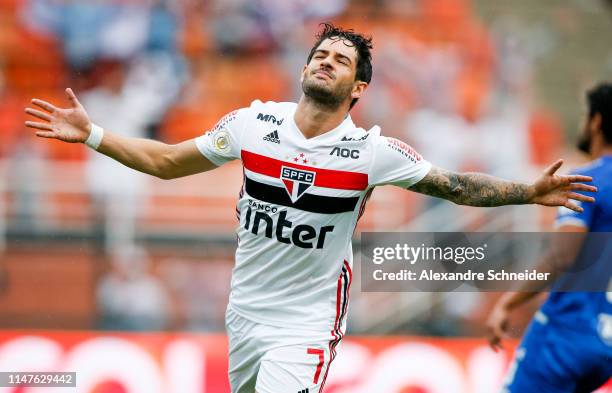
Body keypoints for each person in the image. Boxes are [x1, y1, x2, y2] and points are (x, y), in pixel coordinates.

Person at [25, 23, 595, 393]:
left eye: (341, 60)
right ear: (304, 70)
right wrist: (95, 135)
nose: (326, 62)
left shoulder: (371, 152)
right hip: (243, 314)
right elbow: (169, 161)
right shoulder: (253, 123)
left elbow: (454, 186)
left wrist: (527, 191)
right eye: (320, 54)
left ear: (357, 89)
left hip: (307, 323)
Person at [487, 83, 612, 393]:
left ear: (596, 121)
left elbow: (562, 255)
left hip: (567, 334)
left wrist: (509, 302)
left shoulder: (588, 180)